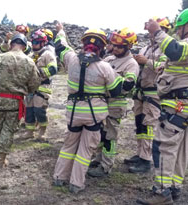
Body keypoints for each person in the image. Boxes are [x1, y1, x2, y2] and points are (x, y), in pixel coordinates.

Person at [136, 8, 188, 204]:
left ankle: (161, 193)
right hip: (187, 103)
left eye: (179, 28)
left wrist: (157, 32)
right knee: (179, 148)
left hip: (179, 103)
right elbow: (168, 62)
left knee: (163, 146)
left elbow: (174, 50)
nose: (177, 32)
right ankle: (174, 188)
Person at [52, 23, 123, 194]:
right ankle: (76, 184)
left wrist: (60, 30)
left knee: (68, 146)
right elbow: (116, 91)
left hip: (73, 113)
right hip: (93, 116)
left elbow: (60, 46)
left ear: (83, 43)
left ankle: (59, 177)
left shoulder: (70, 59)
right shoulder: (105, 67)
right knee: (85, 150)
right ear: (102, 47)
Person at [87, 27, 139, 178]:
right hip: (101, 102)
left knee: (110, 135)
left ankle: (106, 166)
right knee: (100, 133)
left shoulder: (131, 64)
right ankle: (98, 159)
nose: (114, 48)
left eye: (119, 46)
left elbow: (128, 84)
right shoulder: (109, 59)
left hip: (115, 104)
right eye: (113, 45)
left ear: (128, 46)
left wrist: (110, 75)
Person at [0, 33, 40, 168]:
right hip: (16, 103)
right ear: (25, 47)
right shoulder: (29, 62)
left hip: (0, 100)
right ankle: (1, 159)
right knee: (8, 130)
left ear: (11, 44)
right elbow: (34, 85)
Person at [124, 17, 171, 174]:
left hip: (153, 94)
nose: (150, 34)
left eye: (152, 31)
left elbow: (164, 68)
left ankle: (146, 160)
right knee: (140, 124)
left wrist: (147, 62)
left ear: (163, 30)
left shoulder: (166, 49)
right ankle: (140, 154)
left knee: (149, 126)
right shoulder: (145, 48)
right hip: (141, 93)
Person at [23, 29, 58, 141]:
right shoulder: (30, 56)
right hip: (30, 88)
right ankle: (29, 131)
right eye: (33, 42)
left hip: (43, 86)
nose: (34, 44)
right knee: (29, 110)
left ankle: (42, 131)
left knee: (39, 110)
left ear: (43, 43)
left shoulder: (48, 54)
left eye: (37, 42)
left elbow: (53, 69)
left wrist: (39, 73)